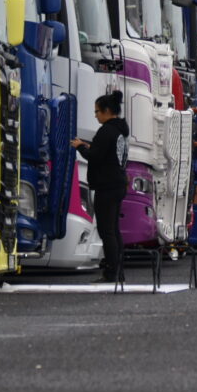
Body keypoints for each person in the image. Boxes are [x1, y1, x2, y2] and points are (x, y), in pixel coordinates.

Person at [71, 91, 129, 283]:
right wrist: (89, 146)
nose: (95, 115)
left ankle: (111, 272)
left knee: (106, 230)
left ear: (106, 111)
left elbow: (94, 156)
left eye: (97, 111)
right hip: (118, 183)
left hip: (107, 186)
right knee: (114, 230)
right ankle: (118, 271)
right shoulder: (120, 131)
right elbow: (108, 153)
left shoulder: (106, 131)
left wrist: (80, 147)